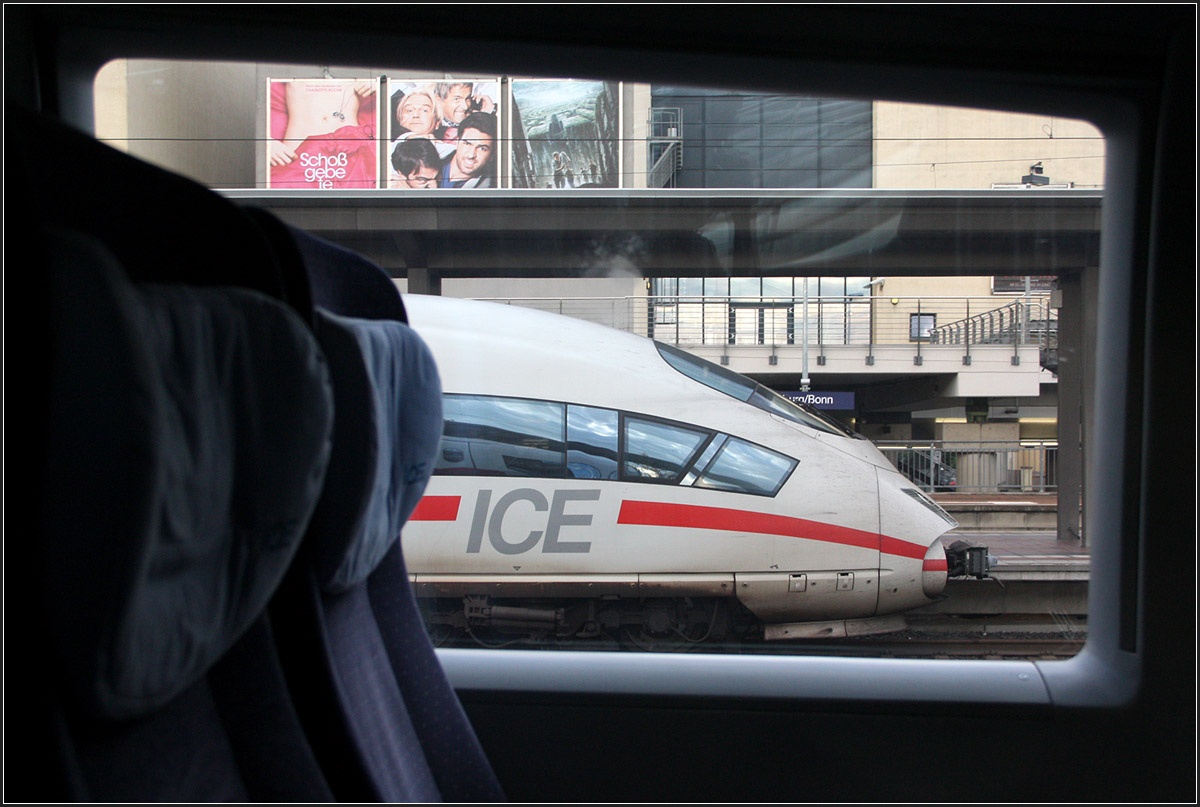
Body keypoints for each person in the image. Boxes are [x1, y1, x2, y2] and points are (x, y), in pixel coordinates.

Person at [437, 111, 496, 188]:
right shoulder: (434, 151)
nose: (471, 155)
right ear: (458, 141)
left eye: (482, 148)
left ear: (491, 155)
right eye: (467, 143)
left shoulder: (488, 189)